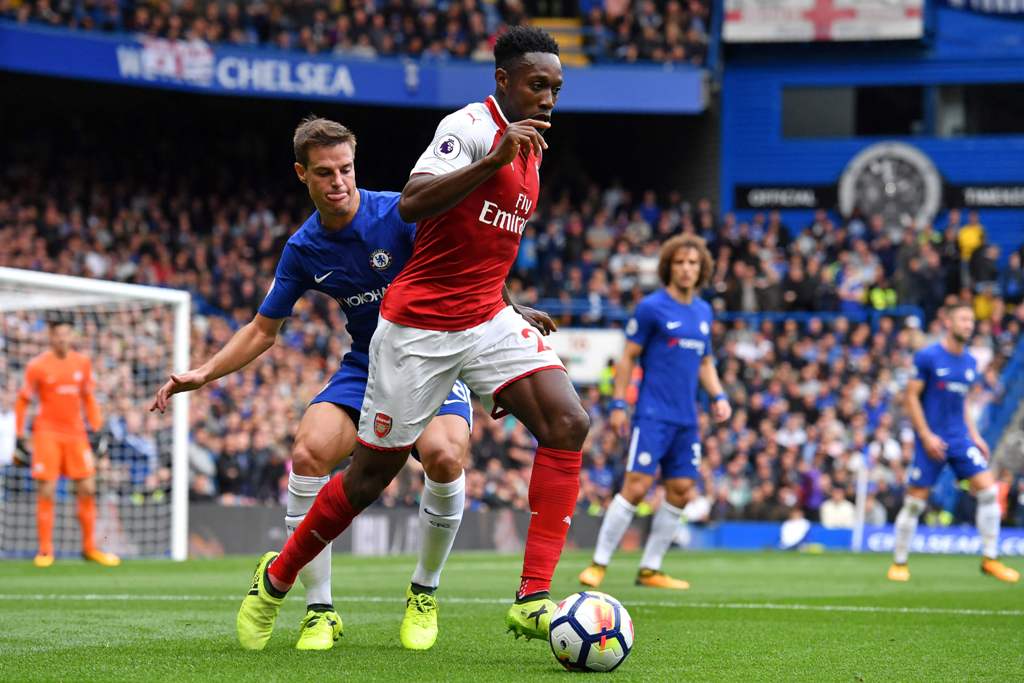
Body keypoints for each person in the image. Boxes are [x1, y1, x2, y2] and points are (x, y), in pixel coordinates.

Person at [236, 25, 587, 648]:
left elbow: (484, 244)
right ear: (502, 81)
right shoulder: (471, 130)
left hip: (484, 317)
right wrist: (492, 160)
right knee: (370, 479)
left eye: (556, 88)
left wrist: (513, 309)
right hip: (418, 330)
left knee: (568, 422)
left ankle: (532, 597)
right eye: (538, 85)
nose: (549, 98)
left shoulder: (531, 145)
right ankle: (278, 580)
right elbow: (414, 203)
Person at [151, 117, 475, 651]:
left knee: (443, 456)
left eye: (346, 168)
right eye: (324, 172)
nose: (338, 181)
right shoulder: (303, 249)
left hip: (431, 363)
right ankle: (320, 610)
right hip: (365, 368)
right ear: (302, 174)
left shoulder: (400, 211)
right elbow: (263, 329)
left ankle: (424, 591)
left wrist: (503, 331)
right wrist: (203, 373)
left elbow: (466, 270)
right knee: (307, 453)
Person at [578, 235, 731, 590]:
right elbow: (629, 357)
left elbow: (705, 361)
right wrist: (619, 403)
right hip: (652, 414)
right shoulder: (652, 307)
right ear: (668, 267)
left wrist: (719, 396)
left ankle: (650, 568)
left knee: (681, 489)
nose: (687, 268)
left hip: (687, 418)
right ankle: (598, 564)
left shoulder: (703, 311)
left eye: (693, 263)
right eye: (680, 262)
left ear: (702, 268)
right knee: (637, 485)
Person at [888, 302, 1019, 583]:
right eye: (963, 320)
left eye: (971, 321)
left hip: (959, 438)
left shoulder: (971, 362)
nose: (968, 325)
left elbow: (961, 405)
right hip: (931, 439)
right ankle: (899, 563)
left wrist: (975, 436)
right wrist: (925, 436)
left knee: (987, 491)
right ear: (948, 322)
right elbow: (911, 397)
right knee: (914, 503)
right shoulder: (928, 357)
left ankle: (990, 559)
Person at [15, 319, 120, 568]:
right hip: (47, 434)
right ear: (50, 336)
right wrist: (19, 435)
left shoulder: (81, 363)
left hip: (76, 434)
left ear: (71, 335)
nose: (62, 339)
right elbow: (22, 401)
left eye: (66, 334)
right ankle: (45, 550)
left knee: (87, 487)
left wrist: (98, 428)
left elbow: (89, 398)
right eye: (57, 335)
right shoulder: (37, 366)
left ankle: (89, 548)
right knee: (47, 490)